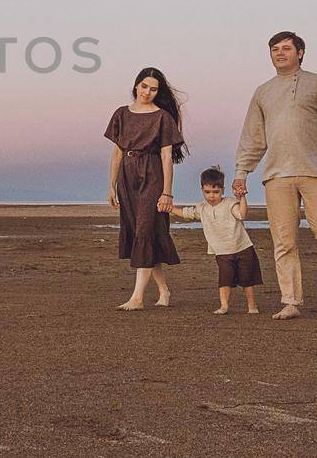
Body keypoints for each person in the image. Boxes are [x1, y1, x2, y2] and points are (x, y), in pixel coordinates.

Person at [233, 31, 317, 320]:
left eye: (286, 48)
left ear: (300, 53)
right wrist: (242, 171)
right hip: (277, 176)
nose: (280, 53)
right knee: (284, 241)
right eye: (274, 49)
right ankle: (291, 301)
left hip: (315, 171)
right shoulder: (263, 92)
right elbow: (252, 137)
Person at [104, 67, 187, 310]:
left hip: (152, 174)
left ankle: (137, 297)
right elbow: (117, 152)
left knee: (144, 229)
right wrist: (111, 185)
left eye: (153, 89)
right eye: (144, 86)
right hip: (127, 177)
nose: (147, 92)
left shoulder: (162, 117)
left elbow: (166, 158)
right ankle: (164, 291)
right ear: (136, 86)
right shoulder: (121, 114)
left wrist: (167, 192)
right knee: (146, 234)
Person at [172, 165, 261, 315]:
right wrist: (170, 208)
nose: (211, 196)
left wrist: (242, 197)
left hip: (242, 248)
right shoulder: (202, 208)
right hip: (222, 252)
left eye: (216, 192)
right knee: (224, 280)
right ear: (202, 190)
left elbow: (242, 214)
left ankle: (252, 306)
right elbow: (187, 213)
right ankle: (224, 306)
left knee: (247, 280)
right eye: (207, 192)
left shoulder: (229, 203)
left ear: (222, 190)